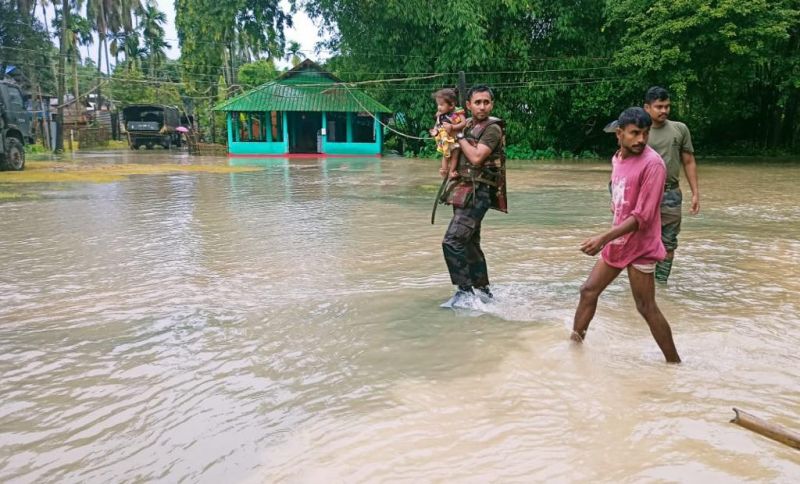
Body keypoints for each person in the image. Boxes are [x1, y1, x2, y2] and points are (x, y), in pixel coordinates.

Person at [572, 107, 681, 363]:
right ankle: (574, 349)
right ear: (619, 134)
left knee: (645, 307)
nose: (641, 140)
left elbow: (642, 218)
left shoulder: (654, 165)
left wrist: (603, 238)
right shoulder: (618, 158)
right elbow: (620, 193)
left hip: (641, 245)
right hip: (620, 240)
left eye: (645, 134)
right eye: (634, 133)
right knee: (588, 291)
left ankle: (674, 363)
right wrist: (615, 207)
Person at [440, 85, 507, 306]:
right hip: (464, 191)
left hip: (478, 193)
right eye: (477, 102)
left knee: (452, 240)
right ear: (468, 105)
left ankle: (465, 293)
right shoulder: (467, 124)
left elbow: (477, 158)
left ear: (492, 104)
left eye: (486, 102)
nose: (482, 106)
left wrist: (458, 135)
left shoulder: (492, 129)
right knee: (469, 243)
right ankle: (483, 291)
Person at [643, 86, 700, 284]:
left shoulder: (680, 129)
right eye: (659, 106)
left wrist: (695, 193)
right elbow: (623, 163)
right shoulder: (638, 131)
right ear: (647, 108)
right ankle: (644, 285)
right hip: (644, 194)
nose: (664, 111)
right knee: (642, 242)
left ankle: (661, 284)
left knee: (668, 243)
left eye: (667, 106)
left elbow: (689, 161)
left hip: (671, 194)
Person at [429, 89, 467, 179]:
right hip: (445, 140)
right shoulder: (440, 114)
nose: (439, 107)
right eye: (438, 104)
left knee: (455, 156)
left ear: (452, 105)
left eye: (441, 105)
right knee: (445, 156)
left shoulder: (457, 112)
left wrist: (452, 127)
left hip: (455, 139)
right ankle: (444, 170)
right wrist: (435, 131)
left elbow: (463, 123)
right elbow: (437, 124)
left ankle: (452, 171)